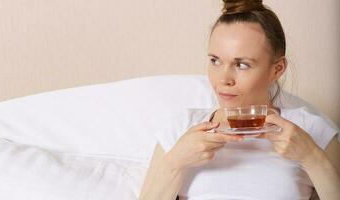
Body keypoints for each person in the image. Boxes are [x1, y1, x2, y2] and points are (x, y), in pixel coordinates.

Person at [139, 0, 340, 200]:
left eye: (242, 65)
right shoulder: (181, 128)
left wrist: (312, 157)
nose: (223, 79)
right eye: (215, 61)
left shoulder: (311, 130)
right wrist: (174, 163)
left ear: (277, 69)